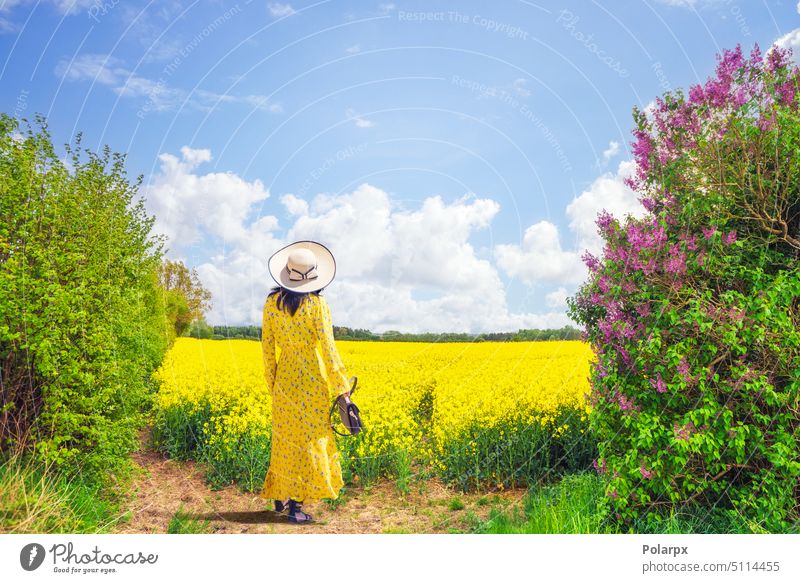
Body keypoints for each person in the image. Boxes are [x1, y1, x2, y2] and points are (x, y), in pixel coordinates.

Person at [259, 240, 352, 524]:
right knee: (309, 441)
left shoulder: (271, 304)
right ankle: (296, 508)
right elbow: (328, 347)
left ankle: (281, 495)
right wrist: (341, 386)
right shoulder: (317, 304)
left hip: (285, 379)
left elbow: (267, 347)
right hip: (313, 379)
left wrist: (273, 383)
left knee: (285, 440)